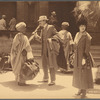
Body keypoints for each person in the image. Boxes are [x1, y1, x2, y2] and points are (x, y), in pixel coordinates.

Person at [72, 16, 94, 98]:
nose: (83, 27)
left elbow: (87, 48)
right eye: (81, 26)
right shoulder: (77, 34)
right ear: (78, 26)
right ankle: (80, 89)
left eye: (84, 26)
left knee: (84, 74)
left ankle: (84, 92)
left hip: (84, 57)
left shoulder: (87, 36)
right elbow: (75, 45)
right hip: (77, 57)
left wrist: (84, 58)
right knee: (78, 73)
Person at [32, 15, 58, 86]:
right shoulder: (42, 29)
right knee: (44, 64)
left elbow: (57, 36)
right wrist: (36, 36)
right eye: (39, 21)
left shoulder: (51, 27)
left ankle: (53, 80)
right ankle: (46, 78)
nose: (39, 22)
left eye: (40, 21)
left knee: (51, 64)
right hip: (43, 50)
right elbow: (41, 40)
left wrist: (50, 39)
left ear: (44, 21)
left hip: (50, 50)